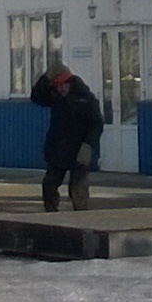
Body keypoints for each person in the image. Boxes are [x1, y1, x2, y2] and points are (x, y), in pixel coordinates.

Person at [29, 55, 104, 212]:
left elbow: (97, 123)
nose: (60, 89)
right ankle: (51, 216)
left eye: (62, 85)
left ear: (69, 83)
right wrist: (46, 77)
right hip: (58, 150)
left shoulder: (85, 98)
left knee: (78, 191)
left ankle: (81, 220)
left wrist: (88, 145)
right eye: (57, 86)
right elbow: (36, 97)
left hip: (79, 151)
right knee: (49, 186)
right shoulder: (55, 97)